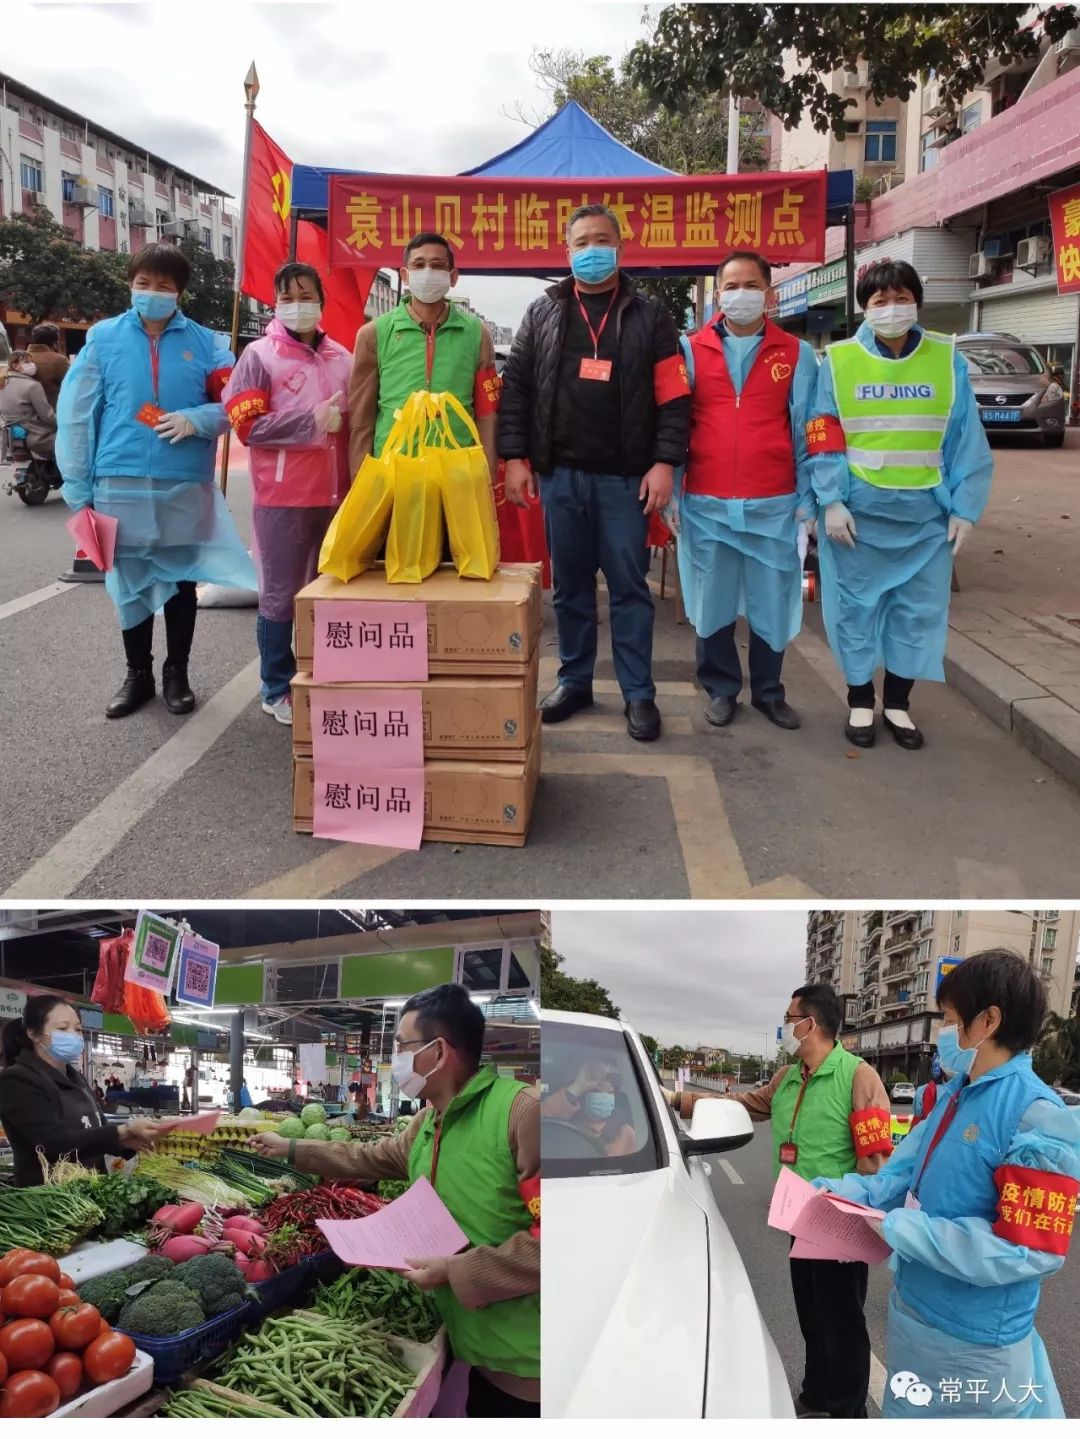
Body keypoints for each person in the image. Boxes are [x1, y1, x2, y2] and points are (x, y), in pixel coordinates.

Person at [251, 982, 539, 1417]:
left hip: (526, 1369)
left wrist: (457, 1270)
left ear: (438, 1052)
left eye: (403, 1047)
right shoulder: (428, 1122)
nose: (397, 1060)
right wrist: (291, 1149)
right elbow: (368, 1156)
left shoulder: (522, 1114)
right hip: (473, 1347)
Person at [813, 951, 1080, 1419]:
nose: (946, 1034)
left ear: (989, 1020)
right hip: (914, 1320)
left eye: (952, 1019)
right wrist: (838, 1195)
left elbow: (1029, 1251)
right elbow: (899, 1178)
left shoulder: (1037, 1117)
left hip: (975, 1347)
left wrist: (903, 1230)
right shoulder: (952, 1098)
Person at [498, 203, 691, 743]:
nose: (591, 250)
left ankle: (638, 694)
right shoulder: (543, 313)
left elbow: (674, 398)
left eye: (602, 239)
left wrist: (664, 462)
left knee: (630, 588)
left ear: (620, 247)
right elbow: (516, 389)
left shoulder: (650, 316)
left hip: (624, 480)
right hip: (561, 476)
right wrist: (515, 457)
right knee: (571, 588)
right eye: (581, 241)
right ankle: (575, 680)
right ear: (567, 250)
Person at [666, 984, 893, 1418]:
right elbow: (741, 1105)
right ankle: (816, 1395)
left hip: (838, 1221)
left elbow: (876, 1158)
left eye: (792, 1018)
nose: (788, 1025)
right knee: (810, 1314)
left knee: (843, 1321)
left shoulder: (857, 1075)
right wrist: (678, 1099)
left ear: (812, 1023)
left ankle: (848, 1412)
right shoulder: (787, 1078)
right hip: (797, 1217)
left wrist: (863, 1216)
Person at [57, 242, 257, 719]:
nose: (152, 292)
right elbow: (77, 414)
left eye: (163, 285)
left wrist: (198, 419)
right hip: (116, 479)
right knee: (128, 582)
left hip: (182, 480)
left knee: (182, 581)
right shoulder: (103, 339)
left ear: (179, 292)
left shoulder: (209, 344)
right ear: (131, 284)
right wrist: (78, 482)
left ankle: (177, 673)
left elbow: (238, 403)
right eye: (143, 283)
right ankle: (137, 674)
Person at [806, 260, 993, 749]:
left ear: (917, 302)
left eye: (900, 298)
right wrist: (829, 500)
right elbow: (822, 431)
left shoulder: (945, 358)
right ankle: (861, 701)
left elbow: (965, 437)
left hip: (926, 515)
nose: (891, 309)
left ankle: (899, 705)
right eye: (879, 301)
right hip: (858, 515)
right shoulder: (839, 360)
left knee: (917, 612)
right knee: (855, 610)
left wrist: (966, 509)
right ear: (863, 308)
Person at [671, 251, 817, 731]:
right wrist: (672, 491)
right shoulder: (689, 350)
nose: (740, 295)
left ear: (769, 295)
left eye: (751, 285)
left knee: (771, 600)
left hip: (773, 503)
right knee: (711, 599)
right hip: (707, 502)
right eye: (731, 286)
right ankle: (720, 688)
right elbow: (673, 427)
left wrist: (811, 499)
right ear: (718, 294)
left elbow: (810, 429)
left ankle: (770, 692)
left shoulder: (797, 354)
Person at [223, 262, 352, 726]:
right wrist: (310, 422)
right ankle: (276, 686)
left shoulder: (342, 357)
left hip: (338, 494)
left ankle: (322, 675)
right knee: (280, 597)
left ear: (321, 298)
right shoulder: (259, 356)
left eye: (306, 294)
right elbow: (246, 425)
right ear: (275, 303)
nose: (298, 303)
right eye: (287, 296)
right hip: (283, 496)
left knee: (330, 593)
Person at [348, 232, 499, 484]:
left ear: (453, 277)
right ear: (405, 275)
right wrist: (360, 478)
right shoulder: (374, 334)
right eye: (418, 264)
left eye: (437, 265)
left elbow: (487, 412)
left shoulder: (476, 334)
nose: (427, 271)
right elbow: (361, 417)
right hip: (394, 473)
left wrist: (488, 471)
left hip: (458, 476)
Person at [0, 996, 160, 1187]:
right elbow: (52, 1144)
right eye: (62, 1028)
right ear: (33, 1034)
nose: (73, 1035)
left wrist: (124, 1143)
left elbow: (96, 1129)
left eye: (78, 1029)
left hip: (91, 1194)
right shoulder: (17, 1080)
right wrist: (122, 1131)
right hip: (51, 1203)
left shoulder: (76, 1078)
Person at [541, 1060, 637, 1156]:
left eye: (610, 1092)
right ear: (580, 1093)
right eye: (597, 1090)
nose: (604, 1096)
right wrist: (576, 1088)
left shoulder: (624, 1132)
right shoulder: (560, 1125)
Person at [0, 350, 57, 457]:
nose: (32, 365)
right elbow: (47, 416)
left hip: (9, 435)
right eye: (27, 362)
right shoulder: (32, 386)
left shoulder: (3, 383)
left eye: (31, 362)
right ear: (15, 366)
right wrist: (62, 424)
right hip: (36, 435)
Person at [26, 323, 70, 409]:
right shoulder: (59, 360)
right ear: (54, 342)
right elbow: (71, 385)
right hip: (49, 412)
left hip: (22, 411)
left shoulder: (18, 358)